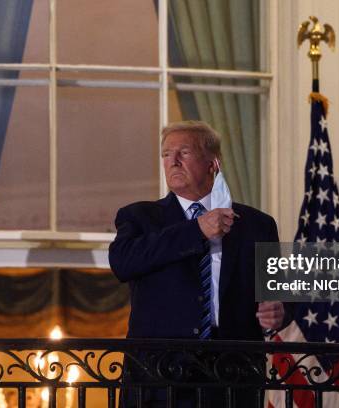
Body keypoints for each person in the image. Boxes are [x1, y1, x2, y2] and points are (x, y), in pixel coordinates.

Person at [109, 121, 290, 407]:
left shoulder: (258, 224)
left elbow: (279, 292)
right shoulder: (140, 217)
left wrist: (281, 310)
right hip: (159, 376)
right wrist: (197, 230)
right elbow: (123, 263)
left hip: (233, 374)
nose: (173, 161)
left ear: (212, 163)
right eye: (167, 154)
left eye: (184, 152)